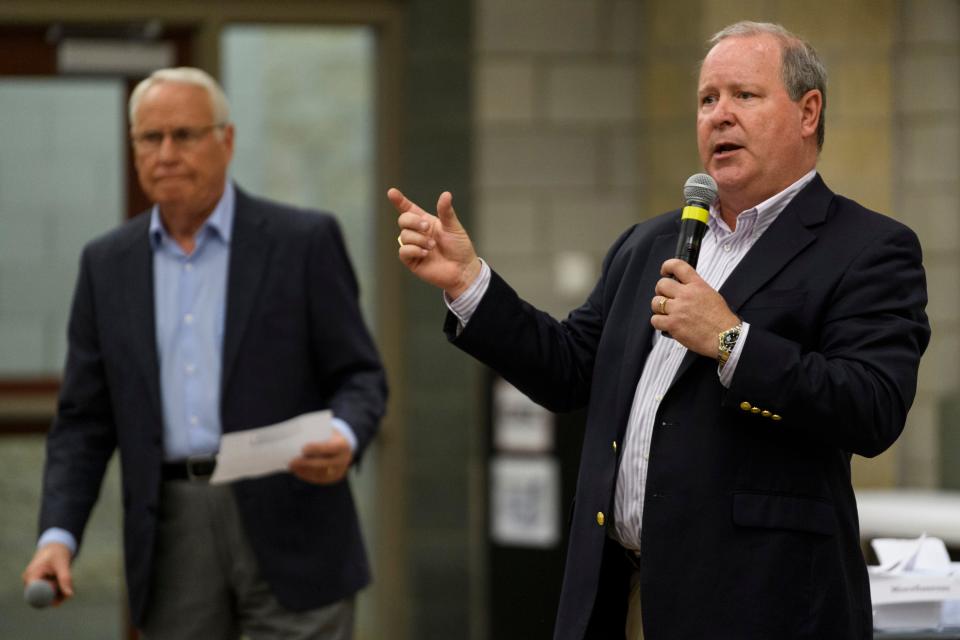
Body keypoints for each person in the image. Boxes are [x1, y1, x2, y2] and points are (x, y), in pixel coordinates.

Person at [390, 21, 930, 640]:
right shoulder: (649, 243)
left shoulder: (867, 248)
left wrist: (733, 342)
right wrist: (468, 283)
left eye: (743, 96)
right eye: (707, 100)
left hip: (758, 603)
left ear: (809, 112)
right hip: (618, 592)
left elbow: (873, 407)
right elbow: (569, 369)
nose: (719, 116)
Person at [22, 67, 387, 639]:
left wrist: (343, 436)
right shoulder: (106, 265)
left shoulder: (302, 241)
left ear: (228, 141)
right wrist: (57, 537)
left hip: (294, 513)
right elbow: (83, 423)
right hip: (171, 528)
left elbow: (361, 376)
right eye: (150, 138)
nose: (166, 153)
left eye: (185, 135)